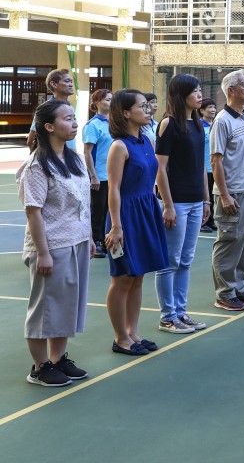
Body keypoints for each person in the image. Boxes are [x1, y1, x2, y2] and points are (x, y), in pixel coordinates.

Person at [18, 99, 93, 386]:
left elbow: (82, 203)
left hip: (77, 242)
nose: (74, 123)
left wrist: (88, 237)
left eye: (75, 118)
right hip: (51, 246)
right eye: (67, 118)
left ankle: (58, 358)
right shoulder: (37, 166)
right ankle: (39, 367)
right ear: (49, 127)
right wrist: (43, 253)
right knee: (45, 308)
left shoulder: (72, 159)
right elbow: (33, 212)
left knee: (66, 306)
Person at [106, 89, 170, 356]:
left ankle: (133, 332)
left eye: (148, 106)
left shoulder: (147, 142)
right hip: (126, 215)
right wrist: (116, 225)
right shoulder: (119, 146)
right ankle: (120, 337)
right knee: (122, 278)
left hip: (146, 210)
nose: (148, 110)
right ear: (125, 113)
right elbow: (114, 188)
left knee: (138, 276)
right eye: (142, 106)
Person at [153, 74, 210, 334]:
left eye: (200, 91)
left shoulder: (198, 125)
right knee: (170, 261)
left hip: (196, 202)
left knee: (185, 260)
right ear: (181, 94)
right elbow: (160, 168)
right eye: (195, 91)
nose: (200, 95)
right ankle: (168, 317)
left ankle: (181, 312)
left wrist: (206, 199)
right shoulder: (168, 124)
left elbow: (200, 167)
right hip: (177, 202)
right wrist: (168, 205)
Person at [209, 70, 244, 311]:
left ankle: (238, 287)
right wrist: (225, 194)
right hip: (233, 192)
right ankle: (224, 292)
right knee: (229, 241)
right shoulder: (222, 120)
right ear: (231, 91)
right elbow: (216, 161)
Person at [83, 89, 113, 258]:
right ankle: (97, 241)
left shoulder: (115, 123)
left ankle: (109, 240)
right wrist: (93, 175)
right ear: (96, 103)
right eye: (107, 99)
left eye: (111, 99)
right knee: (98, 210)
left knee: (112, 210)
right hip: (99, 176)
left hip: (114, 176)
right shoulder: (92, 126)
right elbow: (87, 152)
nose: (110, 102)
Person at [27, 69, 77, 152]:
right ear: (54, 84)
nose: (71, 84)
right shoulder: (46, 109)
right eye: (67, 81)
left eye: (71, 82)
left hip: (70, 157)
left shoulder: (70, 107)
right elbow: (31, 140)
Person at [199, 98, 218, 233]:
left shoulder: (216, 124)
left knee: (212, 196)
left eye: (214, 107)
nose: (212, 110)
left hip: (215, 167)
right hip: (203, 166)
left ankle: (210, 220)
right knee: (204, 196)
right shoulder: (199, 125)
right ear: (202, 111)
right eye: (209, 107)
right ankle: (202, 222)